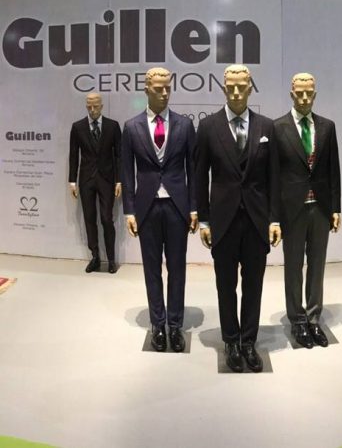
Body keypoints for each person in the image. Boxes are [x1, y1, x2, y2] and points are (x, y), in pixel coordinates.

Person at [195, 64, 281, 373]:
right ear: (223, 88)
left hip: (257, 221)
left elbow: (274, 177)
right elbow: (199, 176)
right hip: (223, 221)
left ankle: (249, 342)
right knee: (226, 285)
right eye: (230, 86)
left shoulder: (266, 127)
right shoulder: (208, 127)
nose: (235, 92)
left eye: (241, 86)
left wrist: (274, 219)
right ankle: (231, 341)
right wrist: (204, 220)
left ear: (250, 87)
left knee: (254, 285)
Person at [121, 67, 197, 353]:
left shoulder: (185, 125)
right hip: (147, 208)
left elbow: (194, 170)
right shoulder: (132, 127)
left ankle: (175, 325)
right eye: (158, 88)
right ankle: (158, 324)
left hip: (177, 207)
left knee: (177, 268)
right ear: (146, 90)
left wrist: (194, 208)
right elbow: (127, 173)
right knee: (152, 269)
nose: (164, 93)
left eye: (168, 88)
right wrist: (129, 211)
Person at [273, 73, 341, 349]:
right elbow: (274, 175)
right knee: (293, 266)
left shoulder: (327, 127)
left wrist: (336, 208)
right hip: (292, 209)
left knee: (317, 264)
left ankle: (314, 318)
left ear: (314, 94)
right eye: (299, 93)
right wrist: (274, 216)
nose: (304, 98)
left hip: (321, 208)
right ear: (291, 94)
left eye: (308, 93)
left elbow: (333, 170)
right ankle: (297, 320)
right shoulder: (278, 128)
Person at [69, 92, 121, 274]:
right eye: (89, 106)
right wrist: (72, 180)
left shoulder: (113, 126)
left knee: (106, 218)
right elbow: (73, 155)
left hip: (107, 178)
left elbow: (119, 155)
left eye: (96, 106)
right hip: (86, 179)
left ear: (102, 106)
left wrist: (119, 180)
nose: (92, 110)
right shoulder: (78, 127)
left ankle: (111, 259)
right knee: (89, 218)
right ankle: (95, 257)